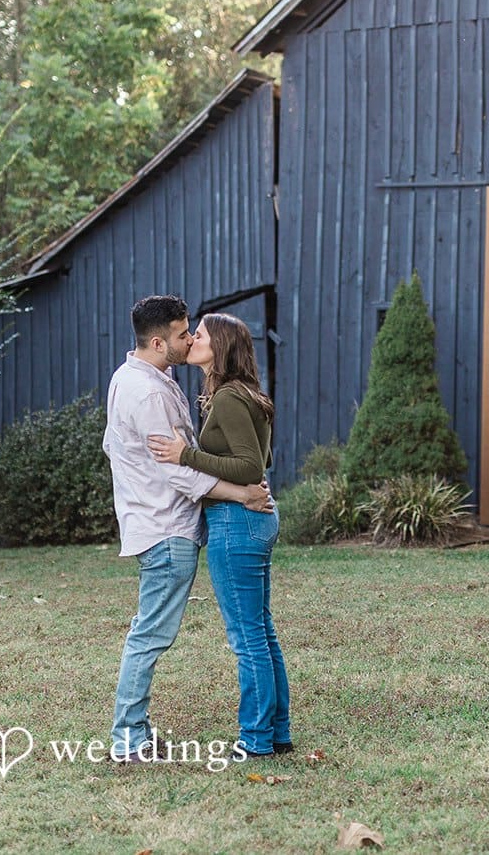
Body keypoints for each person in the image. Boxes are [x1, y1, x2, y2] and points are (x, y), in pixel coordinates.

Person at [104, 295, 271, 765]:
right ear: (159, 342)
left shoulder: (136, 377)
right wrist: (241, 494)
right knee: (151, 635)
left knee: (151, 631)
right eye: (183, 334)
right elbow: (178, 470)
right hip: (166, 527)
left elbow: (115, 445)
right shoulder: (151, 392)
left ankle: (134, 732)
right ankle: (129, 739)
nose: (191, 338)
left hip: (154, 519)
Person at [147, 312, 291, 759]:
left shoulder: (229, 397)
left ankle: (255, 741)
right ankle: (277, 732)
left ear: (220, 346)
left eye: (201, 335)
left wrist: (184, 454)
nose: (191, 339)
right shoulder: (238, 394)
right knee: (261, 633)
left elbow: (252, 467)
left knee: (247, 638)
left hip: (236, 523)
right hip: (250, 521)